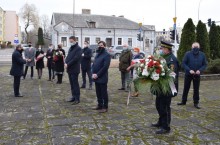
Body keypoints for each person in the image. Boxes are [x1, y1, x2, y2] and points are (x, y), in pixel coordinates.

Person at [151, 41, 179, 134]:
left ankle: (166, 126)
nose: (161, 50)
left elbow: (172, 75)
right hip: (160, 87)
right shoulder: (162, 58)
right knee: (158, 105)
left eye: (162, 49)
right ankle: (160, 122)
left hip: (167, 87)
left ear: (167, 49)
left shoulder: (172, 60)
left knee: (165, 107)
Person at [177, 42, 207, 109]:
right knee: (186, 88)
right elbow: (183, 63)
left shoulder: (202, 55)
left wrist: (200, 70)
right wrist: (189, 70)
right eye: (194, 46)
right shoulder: (187, 54)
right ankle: (183, 101)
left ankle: (196, 102)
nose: (195, 48)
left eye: (197, 46)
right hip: (188, 74)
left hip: (197, 74)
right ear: (192, 47)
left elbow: (205, 64)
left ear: (199, 47)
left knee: (196, 89)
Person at [92, 41, 111, 113]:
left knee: (103, 92)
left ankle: (105, 107)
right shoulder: (97, 54)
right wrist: (93, 73)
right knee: (98, 92)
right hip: (95, 76)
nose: (100, 47)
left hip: (102, 77)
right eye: (99, 45)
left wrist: (98, 74)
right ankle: (99, 104)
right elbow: (94, 64)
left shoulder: (107, 55)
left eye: (101, 45)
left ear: (104, 46)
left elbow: (105, 67)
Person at [65, 36, 82, 105]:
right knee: (71, 84)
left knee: (75, 84)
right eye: (70, 41)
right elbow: (68, 56)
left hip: (74, 69)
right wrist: (65, 62)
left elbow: (76, 58)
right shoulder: (71, 48)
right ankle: (73, 96)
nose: (70, 43)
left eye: (71, 41)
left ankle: (77, 98)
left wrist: (68, 64)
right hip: (69, 68)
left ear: (75, 40)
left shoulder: (78, 49)